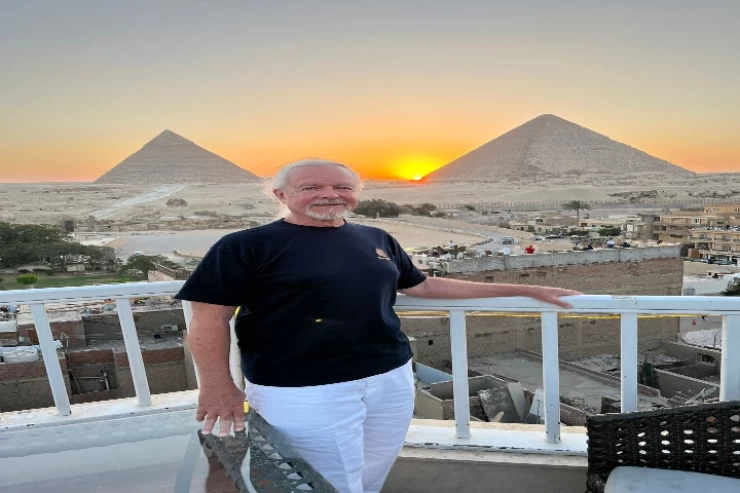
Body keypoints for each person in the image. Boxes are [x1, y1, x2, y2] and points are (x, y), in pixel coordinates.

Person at [175, 160, 580, 493]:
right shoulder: (244, 246)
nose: (330, 194)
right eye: (311, 187)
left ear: (356, 193)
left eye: (342, 187)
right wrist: (217, 385)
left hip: (389, 377)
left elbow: (422, 285)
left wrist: (525, 289)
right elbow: (209, 318)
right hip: (305, 389)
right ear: (281, 195)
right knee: (324, 483)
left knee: (372, 475)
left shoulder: (374, 237)